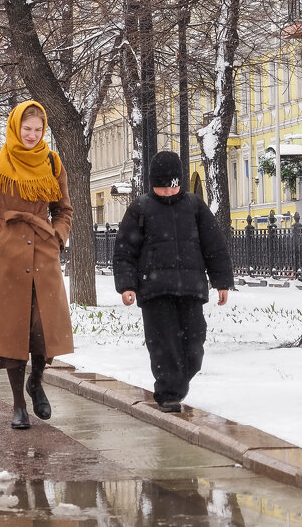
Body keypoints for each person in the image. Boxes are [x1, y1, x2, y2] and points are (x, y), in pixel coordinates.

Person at [0, 100, 74, 431]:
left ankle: (37, 382)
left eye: (38, 130)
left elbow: (64, 209)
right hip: (8, 259)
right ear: (16, 127)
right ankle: (18, 405)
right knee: (13, 333)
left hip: (43, 255)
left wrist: (57, 238)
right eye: (26, 129)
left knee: (44, 330)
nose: (31, 135)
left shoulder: (52, 161)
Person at [113, 150, 233, 413]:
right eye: (160, 187)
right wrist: (127, 285)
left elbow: (214, 246)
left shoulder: (194, 206)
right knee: (163, 344)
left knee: (194, 347)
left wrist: (221, 281)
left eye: (171, 186)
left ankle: (176, 384)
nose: (166, 192)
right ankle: (168, 393)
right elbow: (125, 251)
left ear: (179, 182)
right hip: (155, 291)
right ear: (151, 184)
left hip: (190, 289)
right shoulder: (141, 208)